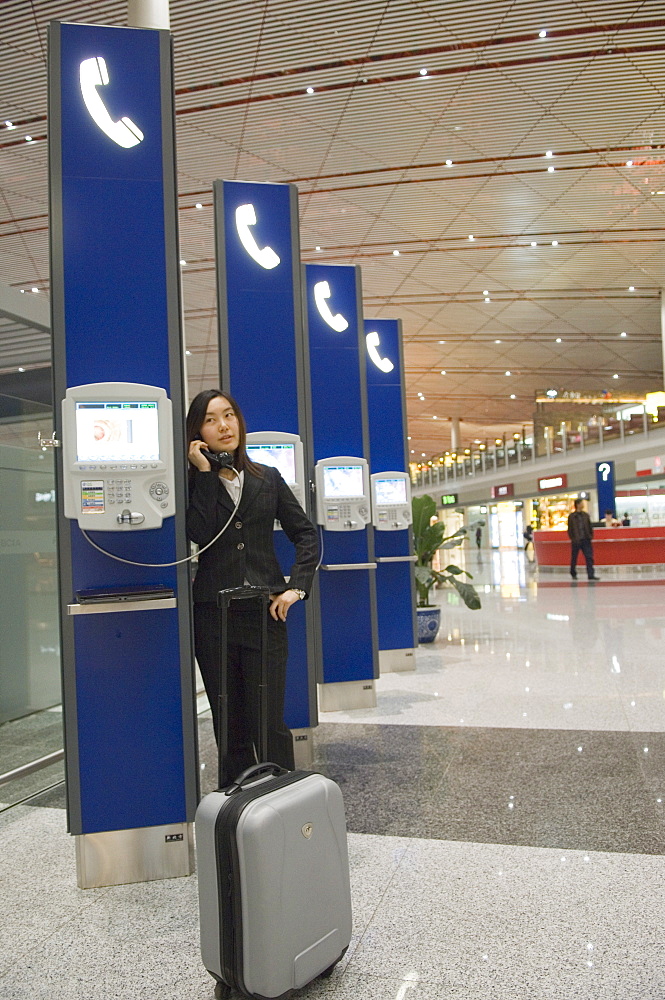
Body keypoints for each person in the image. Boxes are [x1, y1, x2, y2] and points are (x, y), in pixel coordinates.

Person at [186, 389, 319, 783]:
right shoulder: (194, 484)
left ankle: (284, 799)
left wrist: (297, 587)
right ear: (198, 433)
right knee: (229, 723)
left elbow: (306, 534)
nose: (224, 425)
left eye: (229, 415)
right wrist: (207, 476)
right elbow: (199, 533)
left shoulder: (268, 478)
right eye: (211, 420)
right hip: (214, 615)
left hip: (265, 613)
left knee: (270, 719)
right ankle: (238, 807)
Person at [567, 498, 599, 581]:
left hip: (586, 539)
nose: (583, 505)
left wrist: (590, 536)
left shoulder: (586, 515)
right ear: (578, 504)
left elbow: (589, 526)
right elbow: (570, 529)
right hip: (576, 540)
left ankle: (591, 574)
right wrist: (573, 538)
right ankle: (573, 572)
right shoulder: (572, 516)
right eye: (581, 503)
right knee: (574, 557)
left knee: (589, 557)